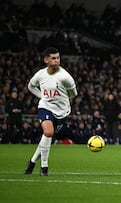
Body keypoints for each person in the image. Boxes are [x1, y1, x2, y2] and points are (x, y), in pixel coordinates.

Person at [24, 47, 78, 176]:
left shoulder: (65, 77)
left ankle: (31, 163)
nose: (56, 61)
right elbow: (31, 86)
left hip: (62, 111)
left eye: (58, 58)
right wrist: (42, 97)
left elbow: (73, 93)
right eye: (53, 58)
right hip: (45, 106)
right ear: (46, 60)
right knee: (48, 132)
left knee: (47, 137)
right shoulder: (41, 74)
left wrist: (63, 99)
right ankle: (44, 167)